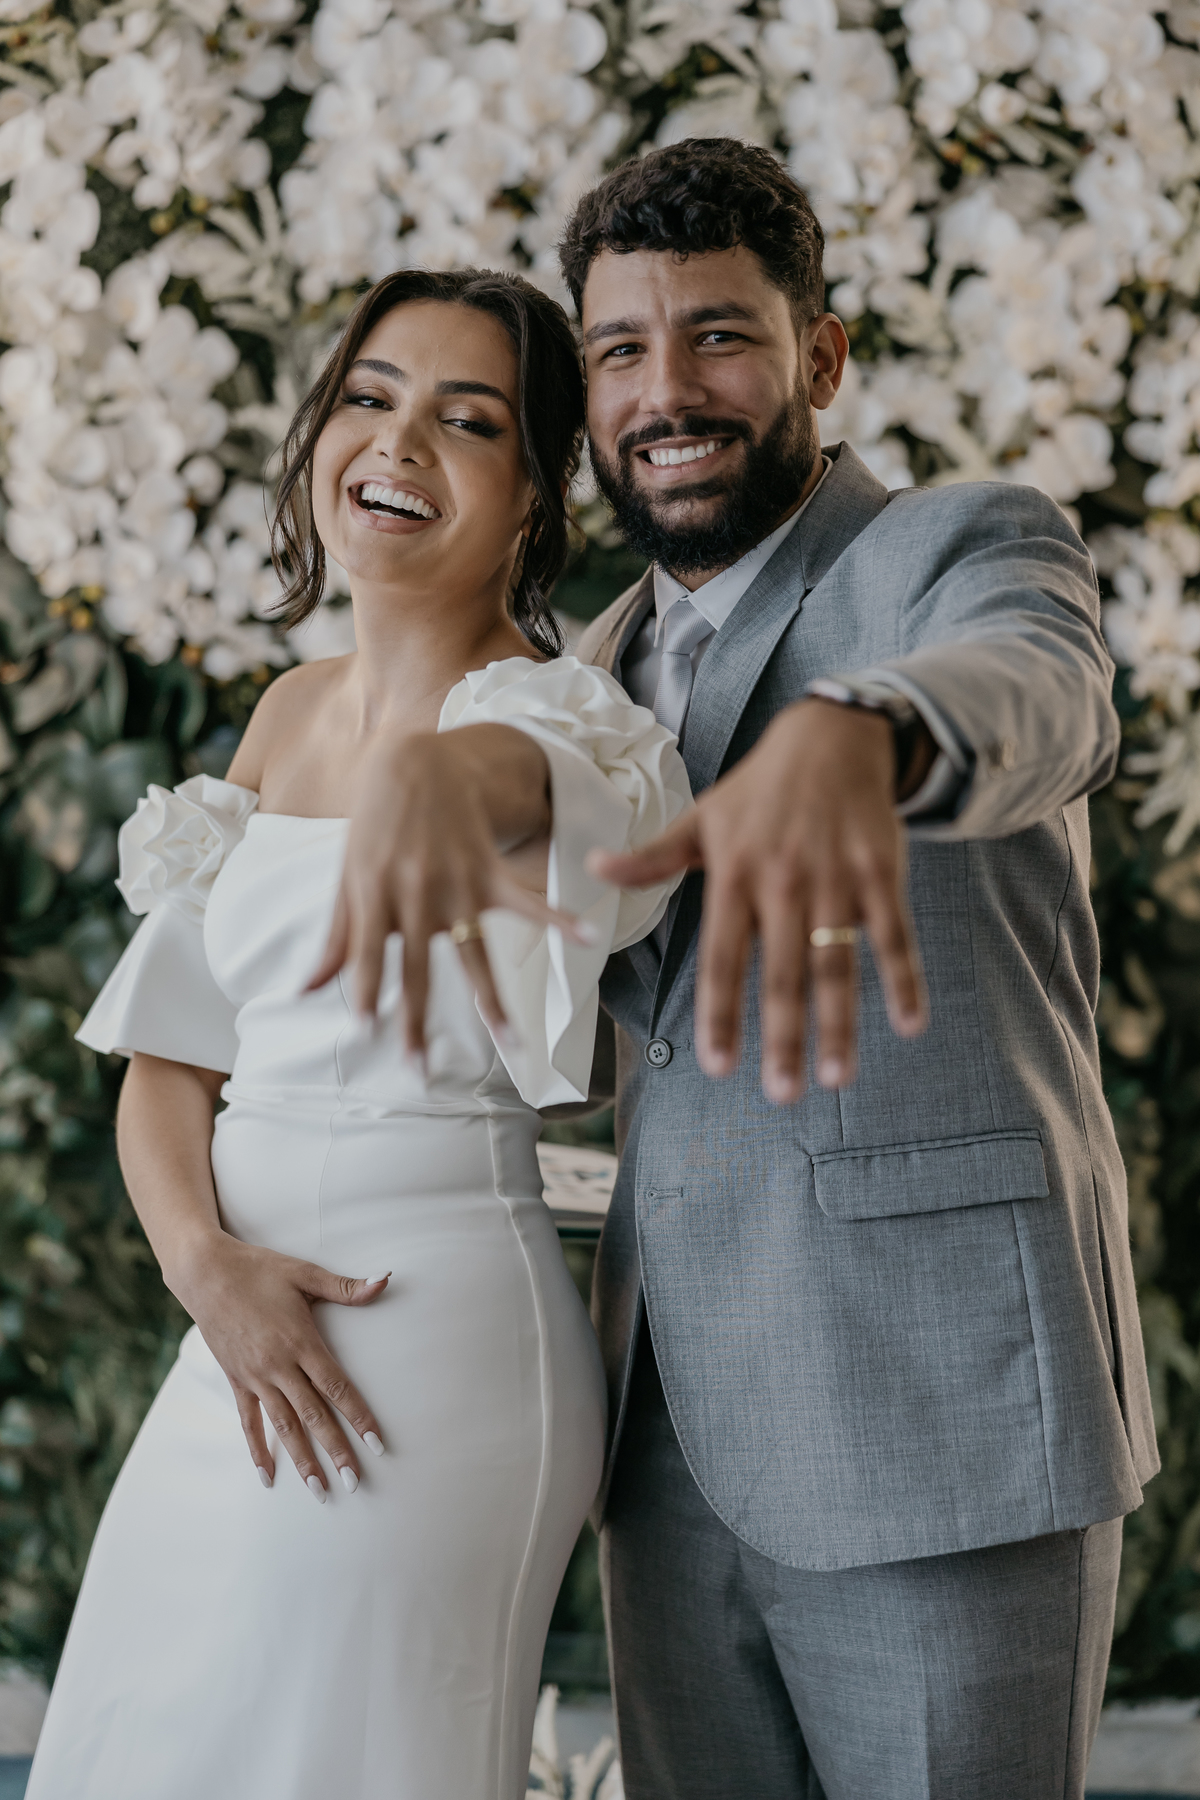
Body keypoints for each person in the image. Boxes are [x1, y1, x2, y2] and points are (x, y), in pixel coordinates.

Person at [331, 141, 1158, 1799]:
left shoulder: (951, 548)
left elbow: (1044, 687)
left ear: (821, 358)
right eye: (621, 351)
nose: (666, 392)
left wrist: (870, 730)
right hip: (662, 1453)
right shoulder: (588, 672)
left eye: (719, 336)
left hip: (942, 1428)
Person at [25, 267, 691, 1800]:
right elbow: (167, 1068)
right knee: (147, 1741)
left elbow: (541, 799)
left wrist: (442, 784)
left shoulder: (563, 721)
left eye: (468, 421)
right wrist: (207, 1273)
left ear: (534, 497)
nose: (398, 443)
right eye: (372, 398)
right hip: (232, 1330)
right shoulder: (286, 711)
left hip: (431, 1344)